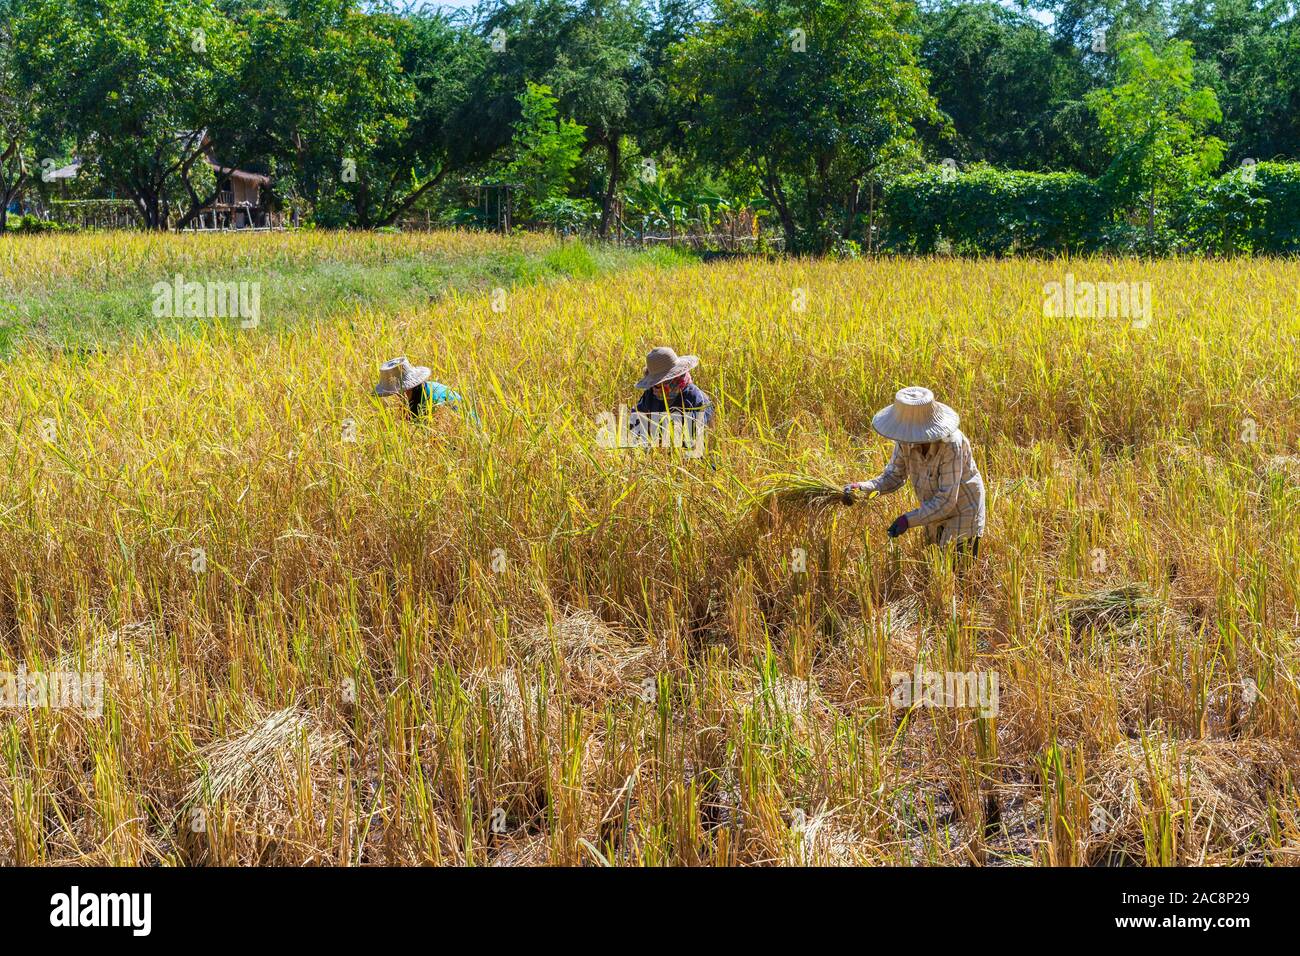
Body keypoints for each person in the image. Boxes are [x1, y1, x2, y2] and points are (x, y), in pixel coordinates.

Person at [845, 386, 986, 557]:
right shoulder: (905, 439)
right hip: (933, 509)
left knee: (957, 570)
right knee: (935, 563)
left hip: (963, 510)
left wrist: (907, 520)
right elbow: (893, 476)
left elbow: (947, 501)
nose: (908, 437)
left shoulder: (951, 445)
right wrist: (861, 488)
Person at [374, 356, 463, 419]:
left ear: (407, 387)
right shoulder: (415, 394)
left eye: (398, 391)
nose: (397, 395)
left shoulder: (434, 402)